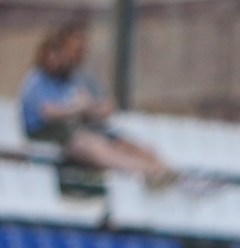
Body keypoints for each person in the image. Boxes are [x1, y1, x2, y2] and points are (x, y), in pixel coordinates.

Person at [18, 23, 180, 187]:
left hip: (85, 129)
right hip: (52, 135)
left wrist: (89, 108)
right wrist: (79, 108)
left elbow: (105, 105)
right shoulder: (37, 80)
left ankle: (165, 172)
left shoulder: (75, 78)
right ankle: (148, 172)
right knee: (92, 145)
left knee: (125, 143)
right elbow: (47, 112)